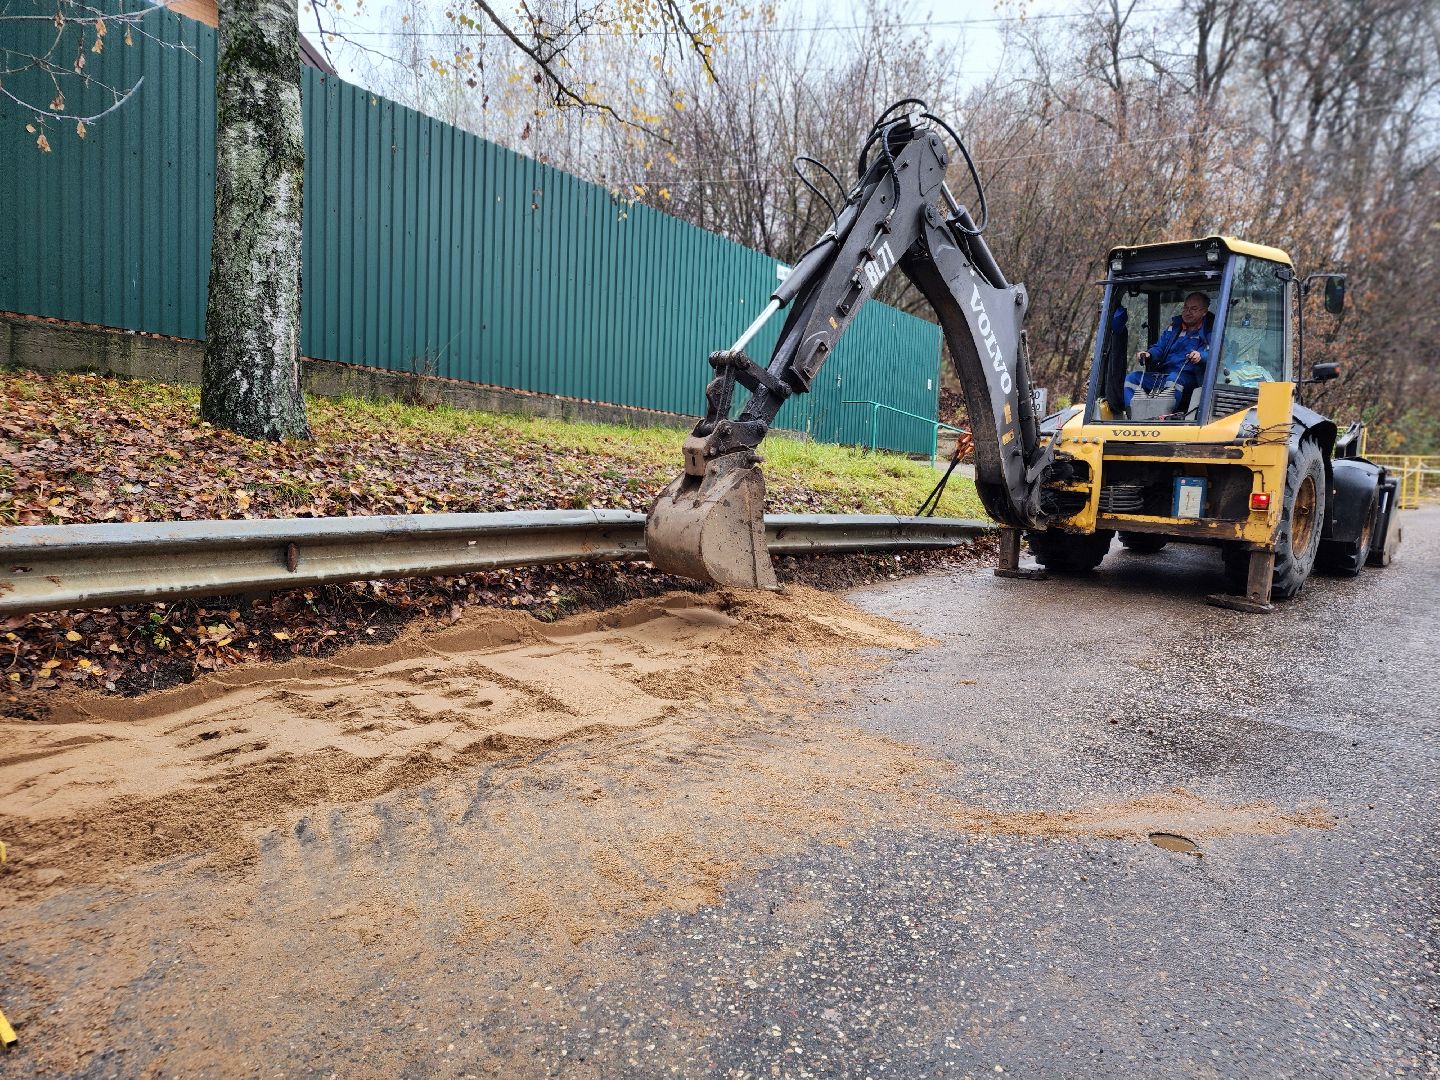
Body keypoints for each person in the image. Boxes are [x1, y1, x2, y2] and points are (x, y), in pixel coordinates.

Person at [1124, 292, 1212, 413]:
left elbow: (1217, 354)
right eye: (1185, 307)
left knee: (1174, 379)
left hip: (1190, 379)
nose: (1187, 312)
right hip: (1164, 376)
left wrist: (1201, 356)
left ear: (1204, 312)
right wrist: (1149, 354)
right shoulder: (1174, 328)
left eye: (1194, 309)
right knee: (1131, 378)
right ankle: (1133, 414)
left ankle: (1160, 417)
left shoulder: (1212, 331)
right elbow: (1160, 347)